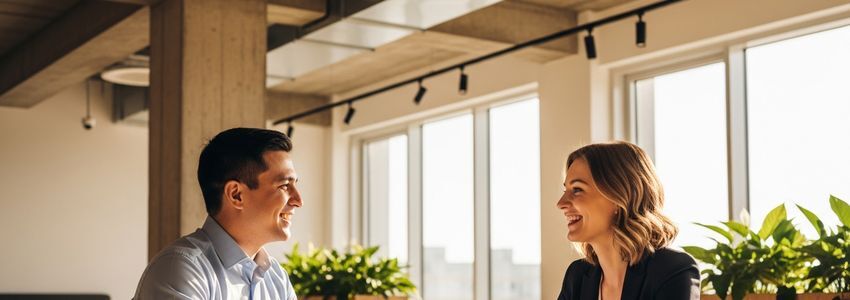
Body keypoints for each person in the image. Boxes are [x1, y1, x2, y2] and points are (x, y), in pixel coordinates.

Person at [134, 128, 302, 300]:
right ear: (236, 194)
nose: (298, 200)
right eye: (284, 186)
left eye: (295, 184)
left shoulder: (277, 278)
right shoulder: (180, 269)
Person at [556, 141, 699, 300]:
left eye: (577, 190)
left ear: (619, 197)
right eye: (566, 190)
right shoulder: (577, 276)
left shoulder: (671, 270)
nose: (561, 203)